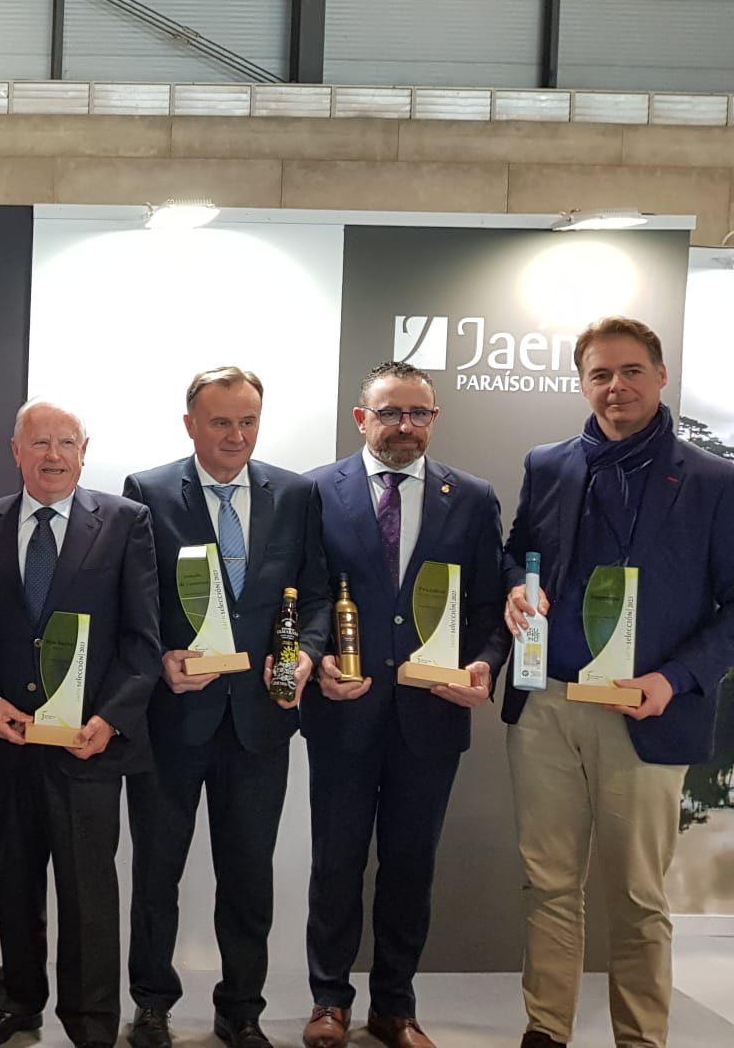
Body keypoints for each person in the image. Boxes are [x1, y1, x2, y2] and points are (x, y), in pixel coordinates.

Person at [501, 317, 734, 1048]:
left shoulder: (713, 480)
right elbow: (518, 552)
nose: (616, 386)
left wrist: (676, 677)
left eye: (631, 371)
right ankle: (547, 1029)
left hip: (646, 707)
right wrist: (514, 588)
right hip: (548, 702)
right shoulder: (549, 463)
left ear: (660, 377)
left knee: (637, 898)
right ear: (582, 382)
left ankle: (641, 1038)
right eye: (600, 373)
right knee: (548, 884)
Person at [299, 362, 507, 1048]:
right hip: (343, 710)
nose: (405, 426)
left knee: (410, 865)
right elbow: (305, 596)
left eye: (419, 413)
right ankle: (329, 1001)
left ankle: (395, 1005)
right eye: (390, 413)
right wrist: (318, 658)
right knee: (335, 862)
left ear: (435, 420)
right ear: (361, 419)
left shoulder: (472, 498)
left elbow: (487, 607)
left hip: (432, 715)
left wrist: (483, 665)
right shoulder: (314, 494)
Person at [121, 366, 328, 1048]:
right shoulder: (148, 492)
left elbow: (317, 596)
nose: (235, 436)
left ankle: (241, 1008)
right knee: (157, 871)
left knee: (247, 874)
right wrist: (158, 663)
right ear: (190, 425)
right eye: (220, 422)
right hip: (175, 718)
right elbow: (134, 603)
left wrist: (304, 656)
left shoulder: (296, 494)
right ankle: (151, 1004)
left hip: (260, 720)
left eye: (247, 422)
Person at [0, 401, 159, 1048]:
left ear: (84, 449)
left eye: (65, 442)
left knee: (88, 894)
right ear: (14, 450)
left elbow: (142, 641)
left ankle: (92, 1021)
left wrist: (109, 719)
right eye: (38, 442)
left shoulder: (126, 522)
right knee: (15, 885)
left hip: (89, 746)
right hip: (6, 743)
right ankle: (18, 1002)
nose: (53, 455)